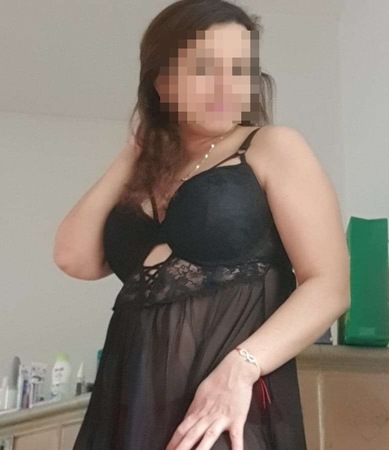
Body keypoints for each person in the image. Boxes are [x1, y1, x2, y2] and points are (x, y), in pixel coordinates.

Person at [53, 1, 349, 449]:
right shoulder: (143, 173)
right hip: (125, 411)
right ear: (162, 82)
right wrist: (136, 150)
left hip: (224, 410)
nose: (226, 85)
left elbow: (329, 286)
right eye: (205, 67)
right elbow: (72, 258)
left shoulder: (272, 148)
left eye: (240, 68)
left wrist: (242, 367)